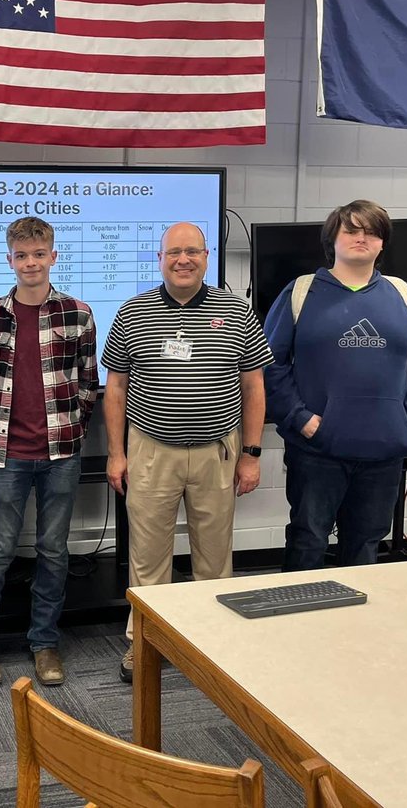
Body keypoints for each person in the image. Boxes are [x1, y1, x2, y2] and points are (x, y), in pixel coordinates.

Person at [102, 222, 272, 684]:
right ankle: (145, 641)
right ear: (160, 259)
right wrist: (116, 455)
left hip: (218, 449)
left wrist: (252, 454)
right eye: (174, 252)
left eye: (192, 251)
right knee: (148, 555)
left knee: (215, 557)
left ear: (206, 256)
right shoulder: (132, 312)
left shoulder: (236, 311)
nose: (183, 260)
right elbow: (114, 389)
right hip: (151, 450)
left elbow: (254, 385)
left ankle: (211, 645)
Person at [263, 200, 407, 572]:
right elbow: (270, 365)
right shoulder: (301, 292)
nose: (361, 238)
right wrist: (301, 419)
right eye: (351, 230)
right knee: (307, 539)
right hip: (316, 451)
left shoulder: (404, 296)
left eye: (371, 231)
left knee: (365, 547)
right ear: (333, 238)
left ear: (382, 243)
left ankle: (355, 629)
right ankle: (296, 626)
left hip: (383, 452)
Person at [0, 218, 98, 687]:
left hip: (60, 453)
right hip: (5, 456)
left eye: (39, 254)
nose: (31, 263)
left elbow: (87, 382)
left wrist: (73, 426)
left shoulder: (78, 313)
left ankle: (44, 643)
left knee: (53, 551)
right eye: (22, 255)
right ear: (10, 260)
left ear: (53, 257)